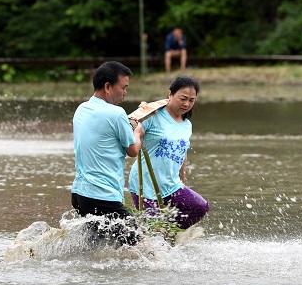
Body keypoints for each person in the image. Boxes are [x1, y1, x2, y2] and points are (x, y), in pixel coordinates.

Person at [71, 61, 144, 246]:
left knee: (97, 247)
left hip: (80, 195)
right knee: (144, 247)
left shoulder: (81, 109)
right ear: (108, 87)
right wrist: (138, 132)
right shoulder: (116, 113)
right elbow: (133, 150)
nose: (125, 92)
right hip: (103, 197)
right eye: (123, 87)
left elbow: (103, 135)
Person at [128, 76, 208, 229]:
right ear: (170, 94)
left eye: (191, 100)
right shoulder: (153, 115)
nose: (186, 104)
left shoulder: (187, 125)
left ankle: (169, 234)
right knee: (151, 228)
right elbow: (128, 126)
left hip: (171, 184)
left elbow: (182, 153)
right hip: (145, 184)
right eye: (183, 98)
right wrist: (140, 113)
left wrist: (182, 179)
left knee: (199, 207)